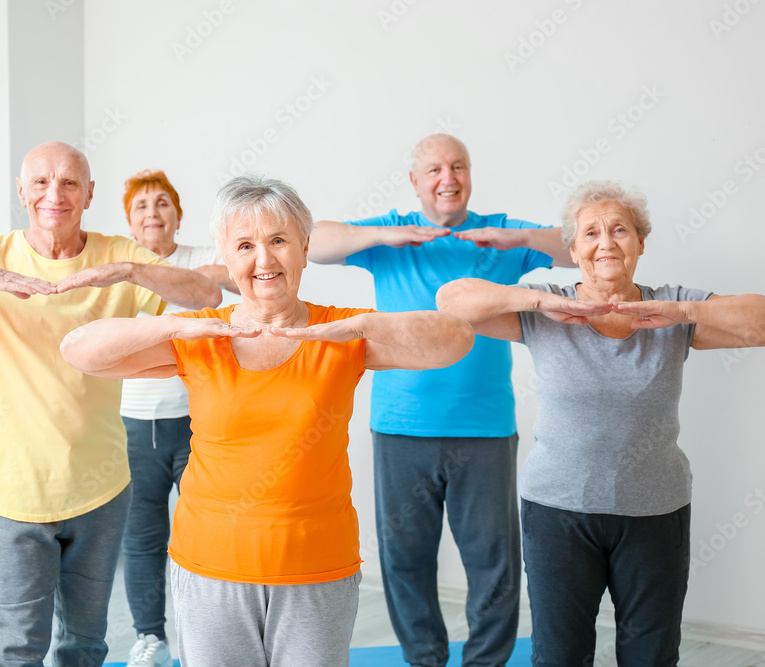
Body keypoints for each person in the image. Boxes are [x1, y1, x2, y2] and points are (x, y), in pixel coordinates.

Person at [60, 174, 476, 667]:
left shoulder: (340, 331)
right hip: (211, 564)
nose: (264, 260)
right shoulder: (198, 336)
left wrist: (360, 325)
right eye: (245, 245)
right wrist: (173, 322)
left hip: (316, 569)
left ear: (303, 246)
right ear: (225, 255)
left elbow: (455, 339)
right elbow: (78, 350)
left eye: (278, 240)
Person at [0, 141, 222, 667]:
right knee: (18, 649)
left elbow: (204, 295)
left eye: (69, 183)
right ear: (22, 192)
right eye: (40, 182)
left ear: (89, 194)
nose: (54, 194)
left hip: (100, 489)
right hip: (11, 493)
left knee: (85, 646)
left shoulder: (117, 257)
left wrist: (125, 272)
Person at [436, 180, 765, 665]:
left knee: (651, 653)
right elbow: (450, 302)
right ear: (575, 249)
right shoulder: (545, 307)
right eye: (591, 233)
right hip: (557, 510)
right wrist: (540, 302)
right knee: (561, 655)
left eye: (620, 230)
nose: (605, 242)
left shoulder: (676, 308)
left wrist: (683, 311)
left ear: (641, 243)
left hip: (655, 510)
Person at [307, 133, 573, 666]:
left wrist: (507, 237)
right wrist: (388, 234)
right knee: (405, 559)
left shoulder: (505, 235)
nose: (447, 178)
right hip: (402, 427)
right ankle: (424, 659)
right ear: (414, 182)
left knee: (493, 563)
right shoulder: (387, 236)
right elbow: (312, 243)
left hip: (485, 427)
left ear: (470, 175)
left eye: (458, 166)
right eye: (433, 169)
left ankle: (484, 662)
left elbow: (576, 246)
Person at [117, 169, 238, 667]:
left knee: (206, 535)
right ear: (129, 220)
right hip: (130, 423)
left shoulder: (197, 261)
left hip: (195, 422)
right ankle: (151, 638)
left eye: (162, 203)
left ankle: (204, 639)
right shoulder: (119, 269)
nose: (152, 213)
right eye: (142, 206)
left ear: (178, 215)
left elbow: (232, 276)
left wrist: (186, 279)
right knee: (142, 540)